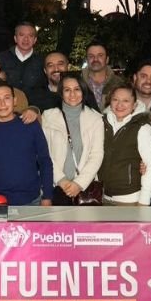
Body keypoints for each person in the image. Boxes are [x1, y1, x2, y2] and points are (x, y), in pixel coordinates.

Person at [0, 81, 53, 206]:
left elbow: (45, 161)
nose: (2, 104)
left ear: (14, 101)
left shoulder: (30, 125)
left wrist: (47, 196)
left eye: (7, 98)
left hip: (32, 200)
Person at [41, 73, 104, 203]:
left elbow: (96, 155)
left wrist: (79, 183)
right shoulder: (48, 117)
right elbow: (45, 153)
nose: (72, 94)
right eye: (67, 90)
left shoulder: (95, 119)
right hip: (56, 186)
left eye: (77, 89)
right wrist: (61, 180)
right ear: (61, 93)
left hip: (85, 188)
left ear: (83, 91)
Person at [100, 85, 151, 205]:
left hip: (129, 198)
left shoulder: (142, 127)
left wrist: (144, 201)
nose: (119, 105)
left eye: (126, 101)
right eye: (115, 99)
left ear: (134, 105)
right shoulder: (101, 123)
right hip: (103, 196)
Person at [0, 22, 44, 101]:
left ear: (35, 40)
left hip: (34, 106)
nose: (26, 39)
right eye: (22, 35)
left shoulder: (41, 62)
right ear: (15, 38)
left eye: (30, 36)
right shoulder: (1, 58)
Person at [81, 41, 126, 111]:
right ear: (87, 60)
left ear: (107, 59)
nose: (95, 59)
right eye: (91, 56)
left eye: (100, 55)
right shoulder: (78, 83)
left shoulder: (119, 84)